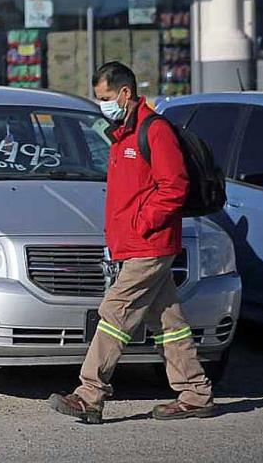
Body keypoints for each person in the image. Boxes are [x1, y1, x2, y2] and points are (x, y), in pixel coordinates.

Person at [48, 62, 215, 424]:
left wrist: (143, 223)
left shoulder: (154, 131)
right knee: (169, 321)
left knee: (114, 312)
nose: (102, 104)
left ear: (126, 93)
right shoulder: (122, 134)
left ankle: (89, 394)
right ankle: (196, 392)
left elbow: (174, 186)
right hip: (136, 243)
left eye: (106, 97)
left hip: (150, 244)